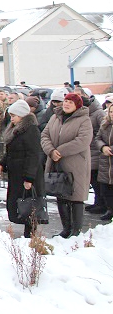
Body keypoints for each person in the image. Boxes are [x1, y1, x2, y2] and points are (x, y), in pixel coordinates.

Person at [41, 93, 93, 238]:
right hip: (56, 162)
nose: (66, 104)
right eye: (65, 101)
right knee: (61, 195)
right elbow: (45, 136)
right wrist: (51, 150)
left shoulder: (84, 120)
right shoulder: (55, 117)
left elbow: (83, 140)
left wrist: (61, 151)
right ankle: (66, 228)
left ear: (77, 105)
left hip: (75, 163)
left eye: (70, 102)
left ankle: (76, 231)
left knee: (76, 197)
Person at [0, 100, 44, 237]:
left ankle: (30, 233)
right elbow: (11, 151)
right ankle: (27, 230)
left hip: (27, 174)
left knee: (29, 204)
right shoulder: (16, 130)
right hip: (16, 173)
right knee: (19, 203)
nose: (12, 119)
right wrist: (2, 163)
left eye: (14, 116)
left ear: (22, 115)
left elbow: (33, 155)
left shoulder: (31, 130)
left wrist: (29, 178)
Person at [94, 104, 113, 222]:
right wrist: (103, 147)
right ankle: (110, 209)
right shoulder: (105, 125)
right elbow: (97, 138)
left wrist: (110, 148)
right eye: (111, 112)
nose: (112, 114)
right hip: (105, 161)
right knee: (106, 189)